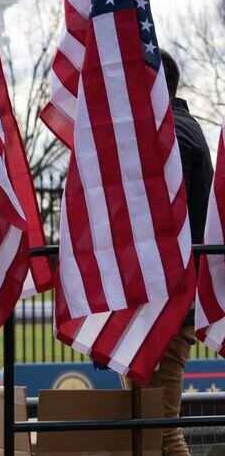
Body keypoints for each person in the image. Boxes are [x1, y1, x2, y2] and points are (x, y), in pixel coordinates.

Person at [124, 49, 213, 456]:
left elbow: (160, 208)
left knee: (159, 431)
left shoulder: (174, 131)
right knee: (150, 430)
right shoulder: (183, 128)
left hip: (166, 304)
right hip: (165, 300)